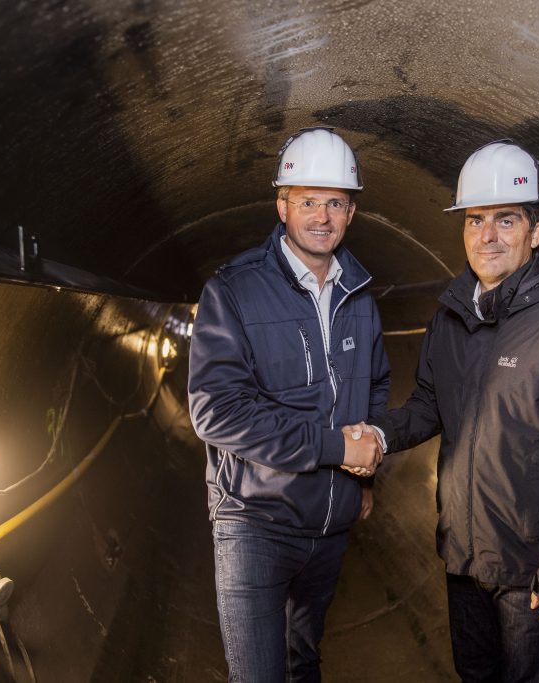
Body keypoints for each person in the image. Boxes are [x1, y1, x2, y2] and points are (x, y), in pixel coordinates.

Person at [360, 140, 539, 682]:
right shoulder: (450, 321)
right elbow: (430, 407)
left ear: (536, 232)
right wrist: (376, 435)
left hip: (530, 575)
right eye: (476, 219)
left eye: (506, 220)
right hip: (463, 560)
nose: (488, 236)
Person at [187, 126, 389, 683]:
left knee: (305, 660)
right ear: (282, 206)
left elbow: (375, 384)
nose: (321, 217)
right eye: (307, 202)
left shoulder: (361, 296)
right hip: (255, 520)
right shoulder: (233, 291)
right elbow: (216, 411)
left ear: (350, 213)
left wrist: (365, 472)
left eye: (335, 203)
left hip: (330, 526)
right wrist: (334, 447)